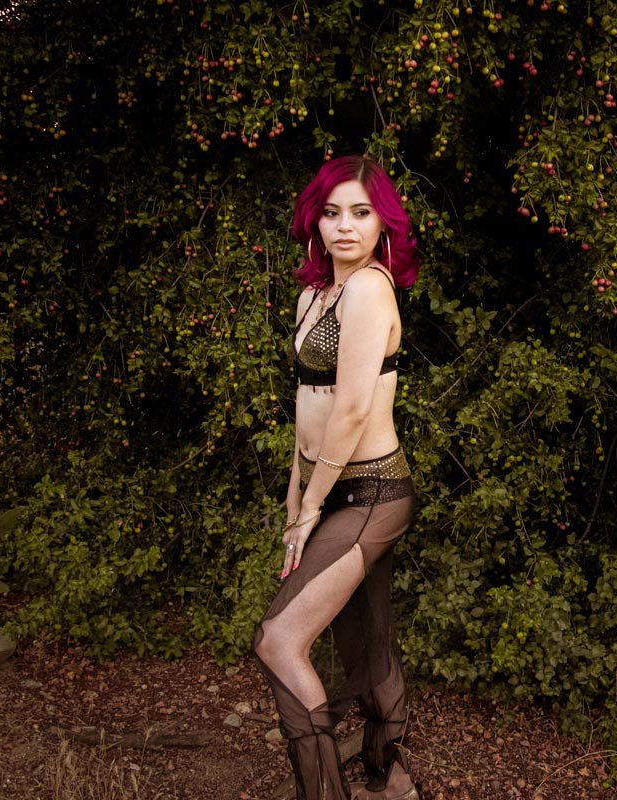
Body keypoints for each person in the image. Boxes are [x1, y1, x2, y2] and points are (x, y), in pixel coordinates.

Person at [252, 154, 421, 800]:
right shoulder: (313, 294)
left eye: (360, 212)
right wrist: (297, 499)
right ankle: (394, 778)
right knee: (364, 643)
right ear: (314, 221)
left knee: (278, 639)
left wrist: (311, 508)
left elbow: (350, 410)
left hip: (373, 491)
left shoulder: (371, 289)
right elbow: (308, 410)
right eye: (331, 213)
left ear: (384, 224)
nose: (343, 226)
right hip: (331, 490)